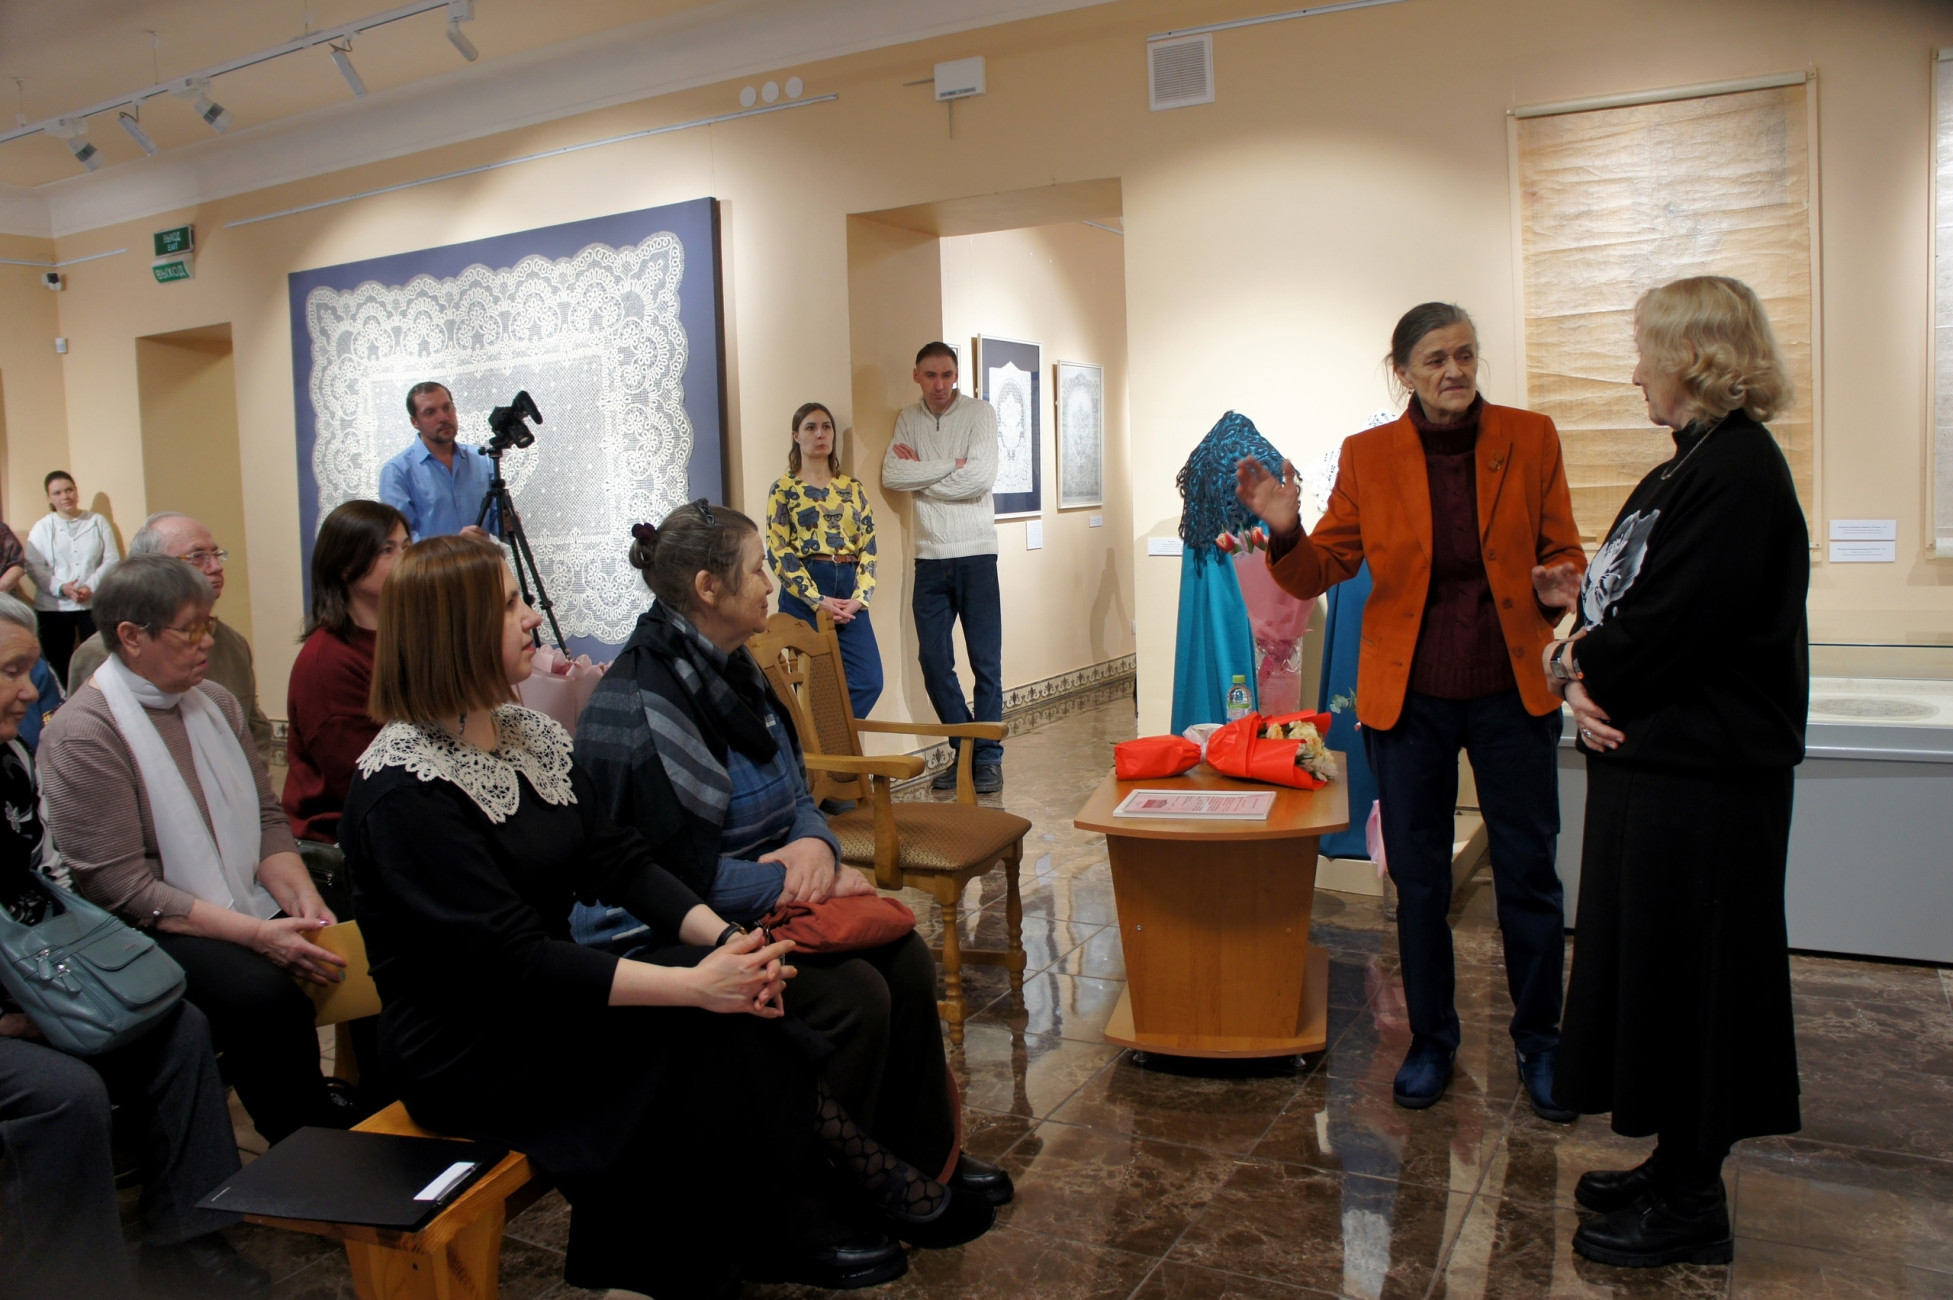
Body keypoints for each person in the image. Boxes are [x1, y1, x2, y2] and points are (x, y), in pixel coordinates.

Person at [341, 535, 991, 1297]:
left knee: (740, 1002)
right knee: (712, 1026)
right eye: (510, 604)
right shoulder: (404, 791)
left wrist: (725, 942)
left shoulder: (525, 735)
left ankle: (805, 1204)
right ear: (454, 631)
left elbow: (617, 860)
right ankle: (769, 1224)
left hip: (549, 996)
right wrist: (696, 984)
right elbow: (509, 960)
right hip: (472, 1042)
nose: (531, 617)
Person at [573, 500, 1013, 1210]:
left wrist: (812, 843)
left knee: (903, 959)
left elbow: (796, 787)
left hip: (756, 897)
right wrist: (794, 885)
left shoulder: (733, 670)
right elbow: (663, 877)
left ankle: (924, 1157)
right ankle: (820, 1199)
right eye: (757, 569)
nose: (770, 582)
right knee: (851, 996)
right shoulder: (645, 700)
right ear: (708, 588)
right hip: (667, 927)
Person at [1237, 302, 1586, 1118]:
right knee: (1419, 879)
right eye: (1434, 359)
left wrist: (1556, 582)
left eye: (1464, 354)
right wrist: (1285, 530)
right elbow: (1320, 569)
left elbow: (1562, 547)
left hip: (1509, 691)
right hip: (1411, 698)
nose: (1453, 371)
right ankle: (1431, 1039)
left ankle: (1541, 1041)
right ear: (1402, 371)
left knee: (1528, 873)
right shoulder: (1368, 455)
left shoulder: (1529, 437)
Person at [1548, 277, 1807, 1269]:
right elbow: (1620, 605)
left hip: (1706, 788)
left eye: (1646, 354)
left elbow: (1666, 627)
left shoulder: (1736, 472)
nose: (1635, 374)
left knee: (1699, 982)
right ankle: (1674, 1161)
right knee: (1659, 974)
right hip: (1664, 777)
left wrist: (1578, 668)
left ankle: (1694, 1200)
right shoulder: (1690, 466)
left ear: (1694, 358)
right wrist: (1575, 650)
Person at [0, 591, 271, 1300]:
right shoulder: (79, 733)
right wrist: (19, 1020)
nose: (29, 692)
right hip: (5, 1013)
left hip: (32, 978)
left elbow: (52, 884)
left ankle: (188, 1238)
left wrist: (84, 982)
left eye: (29, 671)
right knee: (66, 1093)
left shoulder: (11, 759)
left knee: (177, 1027)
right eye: (10, 672)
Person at [35, 554, 356, 1146]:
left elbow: (264, 817)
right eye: (190, 630)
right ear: (131, 636)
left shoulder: (214, 702)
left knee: (361, 926)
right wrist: (258, 934)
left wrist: (301, 895)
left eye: (209, 623)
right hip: (144, 927)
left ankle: (378, 1099)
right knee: (265, 995)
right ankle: (306, 1143)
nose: (207, 641)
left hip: (233, 889)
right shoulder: (85, 733)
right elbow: (123, 889)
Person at [880, 342, 1004, 793]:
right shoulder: (908, 419)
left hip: (976, 553)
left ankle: (987, 759)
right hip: (929, 557)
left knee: (985, 663)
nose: (939, 385)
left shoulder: (980, 414)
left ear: (957, 375)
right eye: (930, 375)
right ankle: (965, 748)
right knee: (933, 661)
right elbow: (892, 475)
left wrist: (924, 476)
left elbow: (980, 478)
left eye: (947, 375)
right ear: (916, 375)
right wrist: (952, 464)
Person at [66, 512, 274, 767]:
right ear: (150, 568)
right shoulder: (101, 654)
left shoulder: (233, 643)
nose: (216, 566)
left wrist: (248, 779)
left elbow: (255, 728)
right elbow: (90, 749)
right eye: (197, 556)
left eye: (216, 554)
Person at [283, 500, 409, 846]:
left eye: (406, 546)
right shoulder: (328, 661)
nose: (404, 559)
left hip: (402, 812)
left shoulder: (405, 635)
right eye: (387, 550)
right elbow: (365, 780)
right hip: (342, 838)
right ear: (346, 565)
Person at [767, 402, 885, 718]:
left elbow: (869, 546)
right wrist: (815, 599)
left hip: (848, 590)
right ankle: (817, 744)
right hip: (806, 588)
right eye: (811, 427)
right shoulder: (784, 488)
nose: (820, 434)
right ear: (796, 435)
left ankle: (824, 739)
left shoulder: (852, 488)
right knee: (813, 685)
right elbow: (778, 549)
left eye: (826, 427)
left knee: (868, 680)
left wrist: (860, 598)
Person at [25, 470, 119, 688]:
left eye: (69, 490)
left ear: (76, 491)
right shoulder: (42, 528)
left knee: (100, 662)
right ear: (49, 498)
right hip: (54, 608)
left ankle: (97, 700)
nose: (65, 496)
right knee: (59, 664)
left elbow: (112, 559)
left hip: (92, 605)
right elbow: (33, 567)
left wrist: (90, 586)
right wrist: (61, 588)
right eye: (57, 493)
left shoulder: (97, 521)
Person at [377, 381, 500, 542]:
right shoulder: (397, 472)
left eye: (447, 408)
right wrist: (453, 545)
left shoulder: (482, 459)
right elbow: (400, 540)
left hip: (483, 558)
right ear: (415, 422)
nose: (443, 417)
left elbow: (494, 520)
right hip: (432, 560)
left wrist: (506, 524)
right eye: (430, 412)